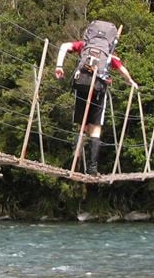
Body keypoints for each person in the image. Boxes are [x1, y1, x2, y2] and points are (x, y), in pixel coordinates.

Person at [53, 22, 138, 175]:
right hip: (99, 90)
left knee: (82, 127)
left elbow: (64, 46)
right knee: (95, 128)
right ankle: (92, 168)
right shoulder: (108, 53)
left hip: (82, 87)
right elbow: (122, 69)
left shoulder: (85, 46)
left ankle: (73, 163)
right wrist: (131, 81)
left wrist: (59, 65)